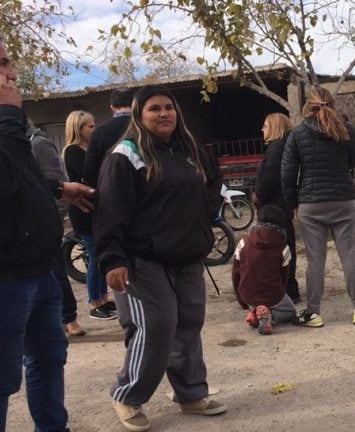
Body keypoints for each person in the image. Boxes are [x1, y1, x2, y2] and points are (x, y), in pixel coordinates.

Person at [0, 25, 93, 432]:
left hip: (37, 267)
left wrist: (56, 188)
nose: (12, 72)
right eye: (3, 62)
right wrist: (7, 113)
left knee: (49, 360)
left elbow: (13, 173)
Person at [94, 85, 226, 431]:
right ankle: (128, 395)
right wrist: (112, 260)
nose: (164, 113)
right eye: (154, 108)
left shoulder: (190, 150)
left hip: (187, 255)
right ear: (139, 115)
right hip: (141, 261)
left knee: (187, 326)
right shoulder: (125, 155)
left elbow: (214, 180)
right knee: (156, 327)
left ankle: (191, 394)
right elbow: (110, 211)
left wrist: (204, 214)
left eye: (169, 107)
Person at [281, 86, 355, 327]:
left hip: (310, 204)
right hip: (343, 200)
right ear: (331, 104)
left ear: (308, 107)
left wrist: (292, 203)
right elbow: (354, 159)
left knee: (315, 261)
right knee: (349, 256)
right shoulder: (346, 129)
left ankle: (313, 313)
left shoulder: (298, 133)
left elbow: (287, 172)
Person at [28, 121, 85, 337]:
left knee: (56, 272)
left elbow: (57, 184)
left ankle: (68, 318)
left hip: (42, 225)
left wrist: (53, 218)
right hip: (20, 230)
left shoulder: (38, 144)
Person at [64, 110, 117, 321]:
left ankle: (104, 298)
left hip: (97, 208)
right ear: (78, 129)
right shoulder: (73, 151)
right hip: (84, 210)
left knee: (101, 254)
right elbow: (88, 178)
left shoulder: (91, 148)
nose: (94, 130)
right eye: (90, 126)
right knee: (95, 256)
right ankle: (94, 302)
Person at [253, 112, 301, 303]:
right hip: (281, 207)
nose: (262, 129)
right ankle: (288, 287)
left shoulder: (276, 148)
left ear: (274, 127)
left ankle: (287, 289)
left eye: (265, 126)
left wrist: (258, 195)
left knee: (280, 248)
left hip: (275, 208)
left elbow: (271, 177)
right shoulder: (282, 148)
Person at [232, 205, 297, 335]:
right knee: (291, 312)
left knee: (252, 292)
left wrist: (242, 301)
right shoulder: (283, 246)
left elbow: (235, 274)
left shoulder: (244, 242)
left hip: (247, 294)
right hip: (273, 294)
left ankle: (253, 310)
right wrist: (279, 293)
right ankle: (268, 314)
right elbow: (285, 277)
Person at [84, 87, 135, 189]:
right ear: (135, 104)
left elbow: (90, 171)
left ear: (112, 107)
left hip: (112, 191)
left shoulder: (99, 132)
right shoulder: (147, 127)